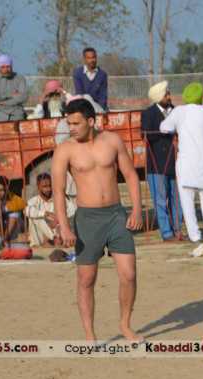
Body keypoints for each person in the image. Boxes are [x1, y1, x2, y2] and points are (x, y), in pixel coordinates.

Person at [51, 98, 143, 342]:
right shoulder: (64, 150)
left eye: (76, 123)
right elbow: (58, 191)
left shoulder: (112, 141)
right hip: (87, 219)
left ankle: (125, 325)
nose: (71, 128)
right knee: (86, 279)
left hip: (116, 215)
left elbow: (131, 176)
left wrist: (136, 210)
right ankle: (90, 334)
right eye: (69, 123)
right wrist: (64, 226)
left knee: (129, 274)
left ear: (91, 121)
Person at [159, 83, 203, 245]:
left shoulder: (179, 111)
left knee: (187, 203)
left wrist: (176, 128)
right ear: (200, 96)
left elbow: (164, 127)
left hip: (186, 165)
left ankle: (195, 235)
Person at [141, 80, 180, 242]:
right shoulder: (148, 113)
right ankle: (166, 233)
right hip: (156, 163)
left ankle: (178, 230)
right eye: (166, 94)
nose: (169, 97)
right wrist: (166, 130)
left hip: (176, 162)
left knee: (177, 199)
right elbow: (145, 134)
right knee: (160, 200)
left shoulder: (177, 111)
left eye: (169, 93)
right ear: (159, 97)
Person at [25, 173, 76, 247]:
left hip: (59, 233)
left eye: (50, 186)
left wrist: (59, 222)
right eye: (44, 187)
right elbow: (26, 211)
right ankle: (53, 238)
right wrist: (46, 214)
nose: (48, 189)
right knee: (34, 216)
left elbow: (72, 211)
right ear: (38, 187)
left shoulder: (60, 199)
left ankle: (56, 239)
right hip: (41, 239)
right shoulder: (33, 201)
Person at [0, 54, 27, 122]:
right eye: (3, 67)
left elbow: (23, 97)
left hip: (17, 113)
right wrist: (10, 95)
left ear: (11, 66)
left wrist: (3, 102)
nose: (6, 69)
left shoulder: (20, 78)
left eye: (8, 67)